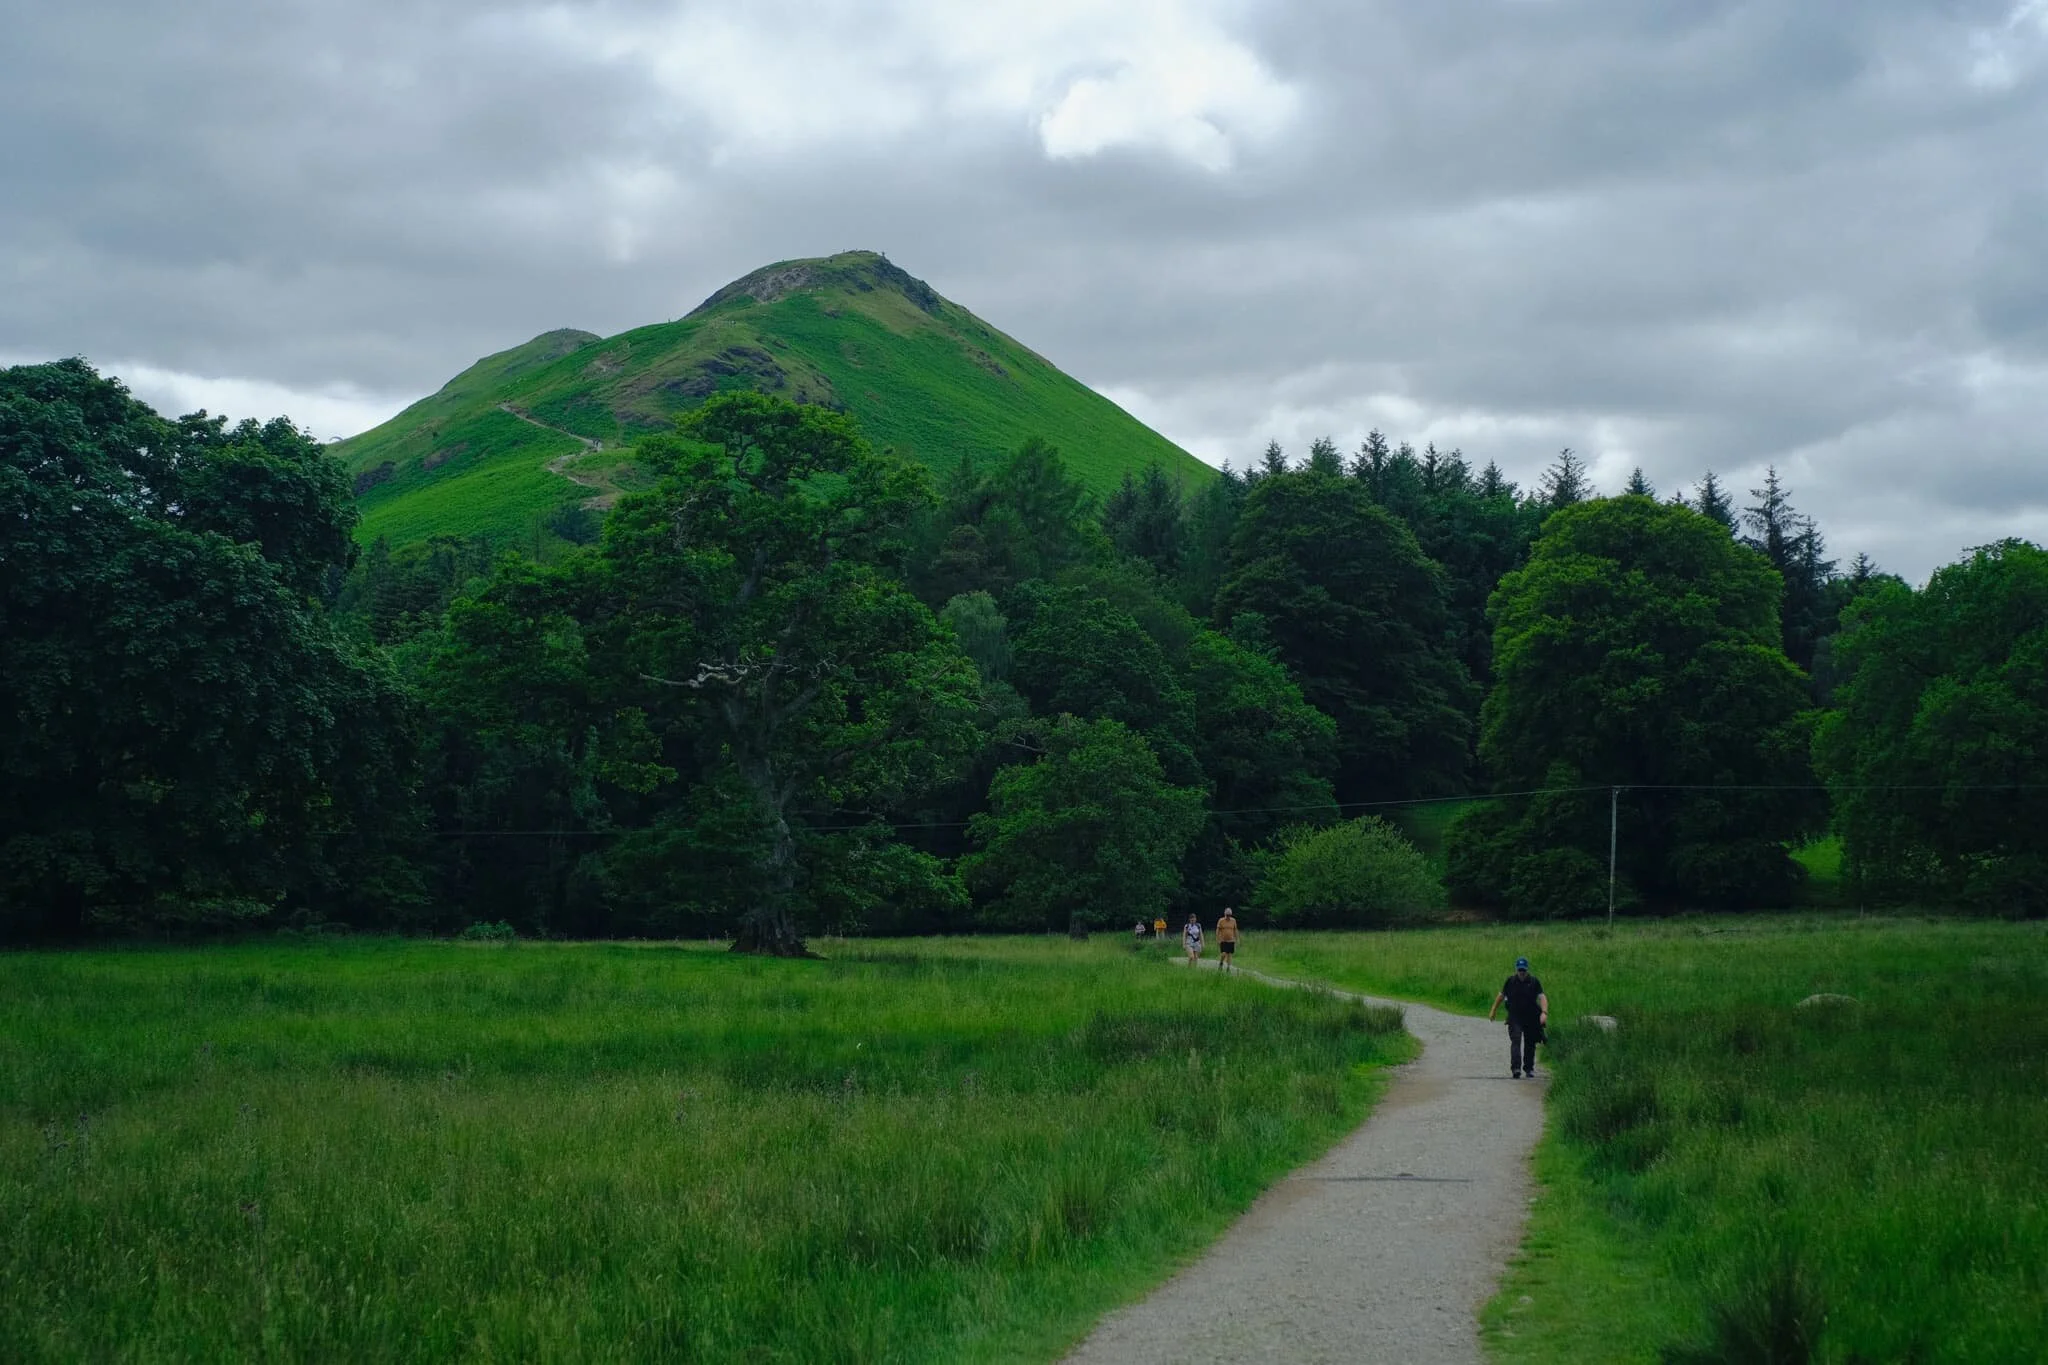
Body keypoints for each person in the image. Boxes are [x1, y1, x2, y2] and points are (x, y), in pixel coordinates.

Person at [1486, 956, 1549, 1079]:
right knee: (1516, 1040)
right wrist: (1493, 1010)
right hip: (1515, 1017)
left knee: (1530, 1043)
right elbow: (1501, 995)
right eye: (1520, 970)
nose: (1522, 973)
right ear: (1516, 970)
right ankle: (1516, 1069)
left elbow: (1542, 997)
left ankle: (1529, 1068)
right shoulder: (1510, 981)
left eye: (1523, 970)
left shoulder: (1534, 981)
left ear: (1527, 970)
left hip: (1531, 1017)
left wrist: (1544, 1012)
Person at [1215, 906, 1240, 972]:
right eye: (1227, 915)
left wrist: (1237, 939)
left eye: (1229, 915)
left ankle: (1228, 967)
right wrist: (1217, 939)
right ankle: (1221, 963)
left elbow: (1235, 929)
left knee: (1229, 954)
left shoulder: (1233, 920)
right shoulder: (1221, 920)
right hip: (1223, 940)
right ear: (1224, 914)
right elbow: (1218, 930)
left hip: (1231, 940)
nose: (1228, 916)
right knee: (1223, 954)